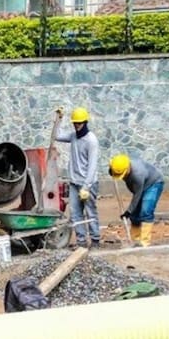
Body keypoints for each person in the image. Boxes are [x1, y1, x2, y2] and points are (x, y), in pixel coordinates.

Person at [55, 106, 100, 247]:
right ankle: (81, 241)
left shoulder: (91, 141)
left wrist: (86, 186)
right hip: (74, 182)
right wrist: (59, 119)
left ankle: (95, 240)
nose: (77, 126)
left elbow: (92, 165)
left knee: (90, 212)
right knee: (75, 213)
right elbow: (56, 136)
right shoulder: (73, 136)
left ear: (85, 122)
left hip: (88, 183)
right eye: (75, 123)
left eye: (79, 123)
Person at [109, 153, 164, 248]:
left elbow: (137, 195)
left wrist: (128, 211)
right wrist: (132, 212)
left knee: (145, 210)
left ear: (128, 169)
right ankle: (135, 240)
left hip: (153, 183)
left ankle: (144, 243)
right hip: (141, 185)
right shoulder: (117, 166)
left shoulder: (137, 174)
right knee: (135, 213)